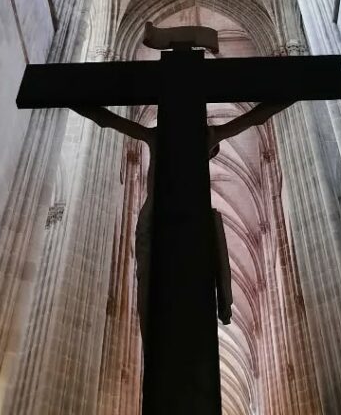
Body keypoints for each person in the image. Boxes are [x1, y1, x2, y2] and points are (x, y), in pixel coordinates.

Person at [71, 102, 289, 337]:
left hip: (158, 220)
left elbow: (104, 118)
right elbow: (256, 117)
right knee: (184, 298)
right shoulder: (206, 136)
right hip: (185, 221)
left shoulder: (156, 135)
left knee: (152, 301)